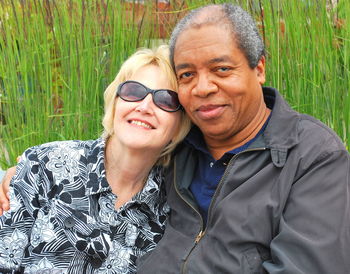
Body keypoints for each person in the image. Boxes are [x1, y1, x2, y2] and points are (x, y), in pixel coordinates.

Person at [1, 3, 350, 274]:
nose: (203, 88)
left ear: (258, 69)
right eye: (186, 75)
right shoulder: (175, 151)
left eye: (222, 69)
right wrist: (17, 175)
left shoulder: (311, 156)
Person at [0, 45, 190, 273]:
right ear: (115, 101)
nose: (145, 106)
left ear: (180, 124)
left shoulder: (172, 211)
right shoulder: (44, 165)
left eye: (166, 100)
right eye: (133, 91)